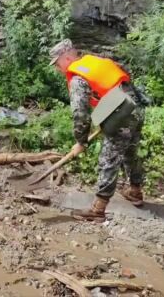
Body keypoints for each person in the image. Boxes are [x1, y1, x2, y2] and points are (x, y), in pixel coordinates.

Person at [49, 39, 146, 222]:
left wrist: (80, 141)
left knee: (109, 158)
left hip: (122, 112)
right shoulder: (95, 61)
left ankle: (98, 209)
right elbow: (123, 79)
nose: (57, 68)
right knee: (130, 153)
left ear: (67, 57)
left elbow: (80, 112)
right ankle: (135, 192)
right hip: (135, 107)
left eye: (57, 63)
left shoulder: (78, 77)